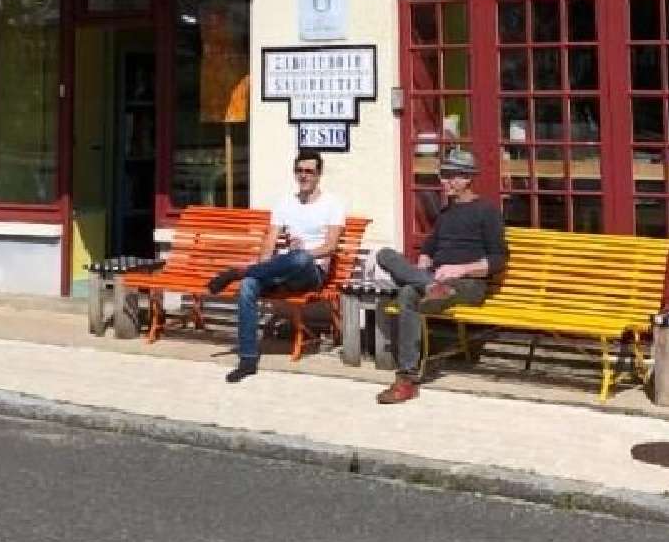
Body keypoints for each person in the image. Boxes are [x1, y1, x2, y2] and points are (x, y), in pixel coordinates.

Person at [374, 144, 506, 405]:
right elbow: (428, 248)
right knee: (384, 254)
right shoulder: (446, 213)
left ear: (466, 178)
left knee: (407, 294)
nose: (443, 181)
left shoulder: (487, 212)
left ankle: (407, 379)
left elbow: (498, 259)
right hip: (438, 280)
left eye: (449, 176)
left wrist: (461, 269)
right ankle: (429, 284)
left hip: (468, 284)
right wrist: (423, 265)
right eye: (443, 175)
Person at [207, 150, 343, 383]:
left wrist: (303, 253)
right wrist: (264, 269)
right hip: (281, 270)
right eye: (299, 171)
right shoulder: (284, 203)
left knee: (300, 258)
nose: (304, 176)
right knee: (249, 286)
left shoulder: (333, 204)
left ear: (319, 174)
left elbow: (330, 246)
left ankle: (239, 272)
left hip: (311, 272)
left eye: (309, 171)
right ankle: (248, 359)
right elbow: (269, 242)